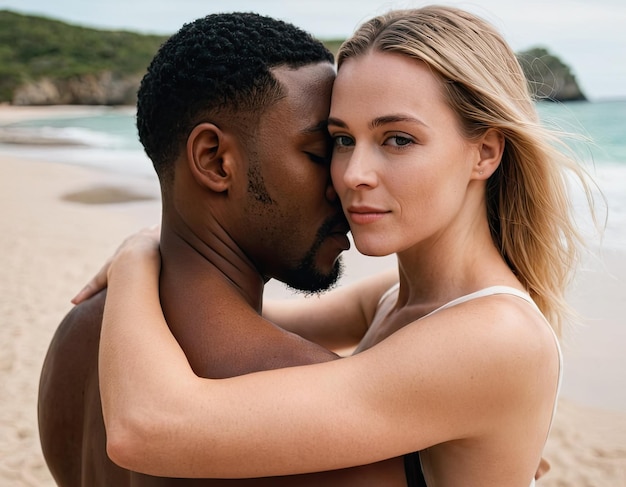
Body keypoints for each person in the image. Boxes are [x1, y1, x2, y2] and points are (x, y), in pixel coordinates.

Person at [91, 5, 599, 486]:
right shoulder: (394, 296)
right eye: (341, 140)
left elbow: (146, 429)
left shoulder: (493, 337)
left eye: (398, 139)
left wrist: (137, 259)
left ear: (484, 152)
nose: (353, 175)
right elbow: (220, 328)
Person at [38, 12, 406, 486]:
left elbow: (383, 300)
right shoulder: (287, 390)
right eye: (322, 152)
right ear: (214, 160)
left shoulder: (85, 326)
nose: (344, 180)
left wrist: (138, 251)